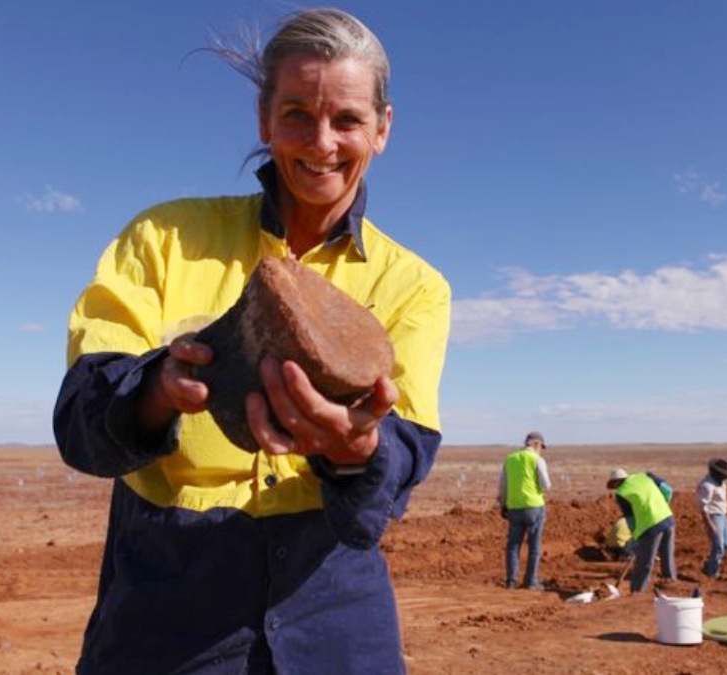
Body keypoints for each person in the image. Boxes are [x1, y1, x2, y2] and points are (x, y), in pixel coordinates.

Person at [52, 9, 450, 674]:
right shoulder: (164, 240)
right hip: (166, 611)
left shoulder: (415, 286)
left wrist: (356, 449)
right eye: (296, 114)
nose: (322, 142)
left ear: (382, 129)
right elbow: (80, 419)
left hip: (335, 617)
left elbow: (404, 450)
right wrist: (158, 390)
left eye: (347, 119)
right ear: (264, 119)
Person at [605, 467, 676, 593]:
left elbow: (631, 520)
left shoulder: (621, 493)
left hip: (649, 527)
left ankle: (637, 593)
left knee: (643, 563)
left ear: (615, 482)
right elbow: (668, 490)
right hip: (668, 519)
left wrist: (636, 539)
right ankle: (672, 589)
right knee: (668, 559)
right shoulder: (646, 476)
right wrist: (662, 507)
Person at [497, 431, 551, 589]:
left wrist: (503, 505)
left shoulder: (510, 459)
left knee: (513, 545)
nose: (540, 450)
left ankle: (511, 581)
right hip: (534, 507)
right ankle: (531, 581)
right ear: (536, 444)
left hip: (514, 508)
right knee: (534, 546)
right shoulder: (536, 459)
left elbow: (503, 486)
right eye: (540, 447)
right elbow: (546, 484)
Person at [698, 458, 727, 579]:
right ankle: (712, 572)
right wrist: (710, 525)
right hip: (714, 516)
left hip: (723, 515)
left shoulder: (721, 483)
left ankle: (709, 565)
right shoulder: (707, 486)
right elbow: (703, 507)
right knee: (718, 546)